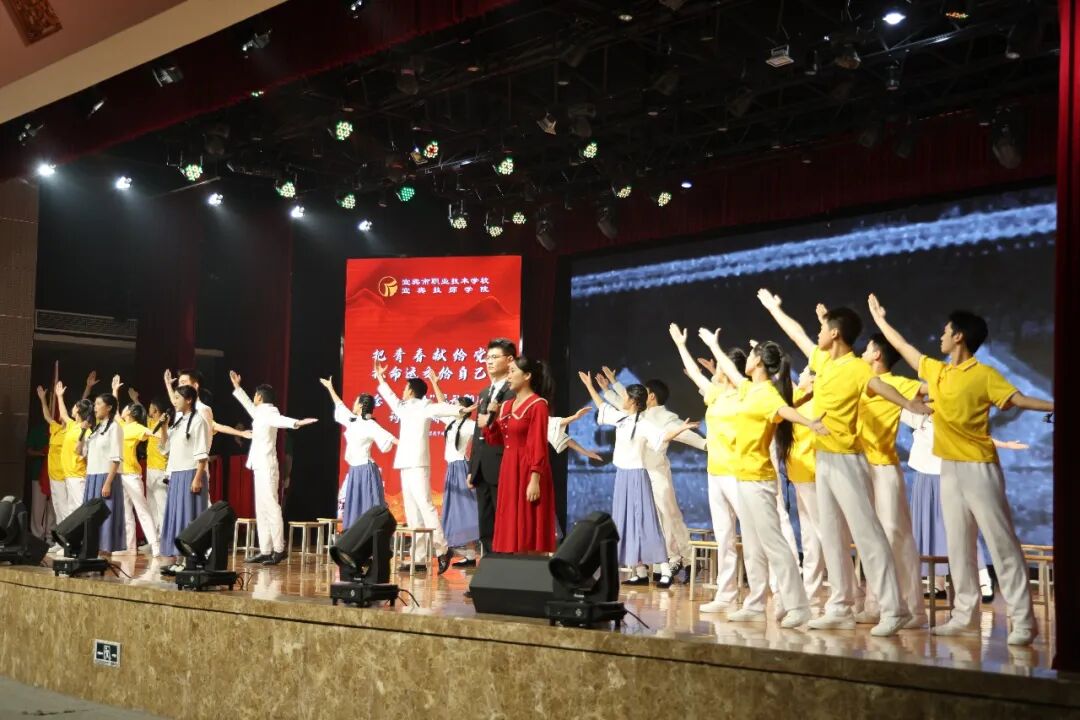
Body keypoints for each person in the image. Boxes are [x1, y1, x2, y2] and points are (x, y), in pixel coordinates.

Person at [866, 295, 1053, 646]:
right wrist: (880, 321)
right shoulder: (937, 371)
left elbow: (1018, 399)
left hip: (979, 467)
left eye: (945, 331)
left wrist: (1056, 405)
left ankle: (1024, 621)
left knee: (1000, 542)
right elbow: (903, 347)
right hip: (948, 468)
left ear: (959, 337)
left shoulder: (984, 375)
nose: (940, 336)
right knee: (958, 544)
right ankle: (964, 615)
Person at [757, 289, 929, 636]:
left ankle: (893, 608)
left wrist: (908, 404)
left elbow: (881, 386)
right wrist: (775, 309)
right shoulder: (823, 362)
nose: (817, 333)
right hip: (823, 459)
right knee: (832, 535)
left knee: (868, 534)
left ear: (835, 334)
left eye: (823, 328)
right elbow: (797, 334)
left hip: (849, 460)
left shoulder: (857, 368)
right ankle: (840, 606)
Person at [699, 331, 828, 627]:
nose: (745, 360)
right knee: (753, 545)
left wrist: (809, 422)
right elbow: (730, 369)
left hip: (759, 479)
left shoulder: (767, 393)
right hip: (742, 477)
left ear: (757, 361)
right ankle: (755, 604)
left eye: (751, 355)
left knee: (774, 544)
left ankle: (798, 606)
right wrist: (713, 345)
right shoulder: (747, 389)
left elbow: (784, 411)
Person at [578, 371, 698, 585]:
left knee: (648, 521)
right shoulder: (622, 417)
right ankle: (639, 570)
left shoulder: (646, 423)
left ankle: (666, 569)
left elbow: (663, 437)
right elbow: (603, 405)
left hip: (639, 474)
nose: (622, 399)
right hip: (622, 476)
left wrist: (681, 428)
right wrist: (590, 386)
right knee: (626, 522)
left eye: (626, 396)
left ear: (634, 401)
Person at [670, 325, 750, 612]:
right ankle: (726, 594)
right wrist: (681, 345)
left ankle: (770, 592)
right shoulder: (716, 394)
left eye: (721, 367)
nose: (714, 370)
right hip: (715, 472)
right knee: (724, 534)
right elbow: (694, 373)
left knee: (752, 533)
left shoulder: (744, 395)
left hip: (737, 472)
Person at [901, 409, 1018, 601]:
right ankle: (937, 584)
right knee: (930, 531)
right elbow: (895, 406)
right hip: (924, 479)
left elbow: (974, 438)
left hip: (949, 477)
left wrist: (1005, 444)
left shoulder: (952, 418)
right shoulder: (919, 418)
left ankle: (984, 582)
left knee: (961, 529)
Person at [854, 332, 928, 627]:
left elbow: (929, 389)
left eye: (867, 349)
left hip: (884, 468)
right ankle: (877, 604)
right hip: (861, 467)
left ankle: (914, 609)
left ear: (877, 355)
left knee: (896, 536)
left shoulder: (896, 383)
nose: (861, 353)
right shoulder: (859, 380)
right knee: (872, 540)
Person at [215, 371, 316, 565]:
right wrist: (237, 387)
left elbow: (281, 420)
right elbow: (247, 404)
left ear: (260, 397)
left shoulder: (270, 412)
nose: (253, 398)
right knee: (261, 508)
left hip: (268, 466)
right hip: (259, 465)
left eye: (255, 395)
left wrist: (297, 423)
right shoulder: (260, 412)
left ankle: (279, 549)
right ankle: (265, 549)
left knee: (271, 506)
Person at [375, 363, 460, 574]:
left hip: (419, 463)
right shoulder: (403, 408)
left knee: (426, 506)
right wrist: (381, 378)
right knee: (412, 511)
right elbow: (390, 397)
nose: (403, 391)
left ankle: (443, 549)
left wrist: (462, 410)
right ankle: (419, 558)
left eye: (405, 388)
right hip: (405, 462)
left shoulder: (424, 406)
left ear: (412, 391)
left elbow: (443, 408)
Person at [320, 376, 396, 529]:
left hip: (366, 470)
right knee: (355, 506)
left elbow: (389, 437)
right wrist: (330, 387)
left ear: (361, 405)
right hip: (355, 470)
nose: (353, 404)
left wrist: (406, 444)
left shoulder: (370, 424)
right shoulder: (352, 420)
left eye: (355, 402)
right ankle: (356, 537)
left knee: (369, 507)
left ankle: (372, 538)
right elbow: (340, 405)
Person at [468, 338, 517, 556]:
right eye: (487, 357)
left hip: (502, 464)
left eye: (494, 357)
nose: (489, 362)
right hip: (481, 467)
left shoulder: (514, 391)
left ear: (510, 360)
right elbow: (477, 432)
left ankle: (505, 568)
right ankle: (489, 566)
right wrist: (472, 467)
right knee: (485, 522)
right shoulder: (484, 392)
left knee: (504, 521)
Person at [158, 386, 210, 573]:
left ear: (189, 400)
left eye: (178, 398)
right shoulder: (178, 421)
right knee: (176, 518)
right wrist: (164, 427)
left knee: (189, 518)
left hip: (190, 473)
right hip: (177, 474)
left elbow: (202, 454)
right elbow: (165, 448)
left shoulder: (198, 421)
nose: (175, 401)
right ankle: (179, 560)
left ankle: (190, 561)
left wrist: (197, 478)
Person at [111, 375, 162, 557]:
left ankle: (155, 545)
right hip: (120, 474)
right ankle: (130, 546)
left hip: (132, 474)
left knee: (142, 510)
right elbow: (114, 411)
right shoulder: (121, 424)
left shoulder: (137, 428)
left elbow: (153, 433)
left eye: (126, 408)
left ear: (131, 413)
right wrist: (114, 390)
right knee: (125, 512)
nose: (123, 410)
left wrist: (163, 431)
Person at [78, 392, 125, 555]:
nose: (95, 407)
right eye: (95, 404)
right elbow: (80, 452)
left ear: (109, 407)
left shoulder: (114, 427)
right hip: (92, 476)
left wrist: (107, 483)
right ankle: (92, 551)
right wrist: (82, 433)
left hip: (106, 476)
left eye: (98, 404)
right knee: (91, 517)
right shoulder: (96, 429)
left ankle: (106, 553)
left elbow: (116, 459)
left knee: (105, 517)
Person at [435, 394, 480, 561]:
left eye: (457, 404)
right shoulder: (451, 421)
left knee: (466, 508)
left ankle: (472, 551)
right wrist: (435, 383)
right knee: (455, 508)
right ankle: (469, 554)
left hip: (461, 466)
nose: (453, 406)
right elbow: (442, 403)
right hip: (452, 468)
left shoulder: (470, 425)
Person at [54, 381, 94, 524]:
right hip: (69, 475)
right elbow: (64, 414)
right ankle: (71, 537)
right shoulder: (73, 425)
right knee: (71, 510)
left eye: (75, 406)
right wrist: (59, 396)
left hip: (78, 476)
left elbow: (85, 454)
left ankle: (81, 537)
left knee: (78, 510)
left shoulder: (87, 432)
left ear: (78, 410)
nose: (72, 408)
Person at [37, 386, 68, 550]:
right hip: (53, 476)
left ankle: (66, 542)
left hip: (63, 476)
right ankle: (59, 541)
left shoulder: (70, 431)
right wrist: (43, 399)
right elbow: (47, 416)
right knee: (57, 509)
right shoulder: (56, 428)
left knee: (64, 510)